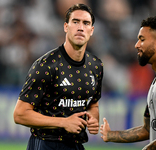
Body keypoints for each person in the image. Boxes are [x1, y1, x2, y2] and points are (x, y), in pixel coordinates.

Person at [13, 3, 104, 150]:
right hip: (45, 144)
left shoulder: (96, 66)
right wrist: (63, 122)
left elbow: (93, 103)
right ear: (66, 27)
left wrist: (93, 118)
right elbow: (20, 114)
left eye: (86, 23)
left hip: (76, 145)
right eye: (75, 22)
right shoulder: (46, 65)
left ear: (91, 30)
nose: (80, 27)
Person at [100, 16, 156, 150]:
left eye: (142, 39)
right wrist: (110, 135)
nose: (136, 45)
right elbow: (148, 129)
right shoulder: (154, 84)